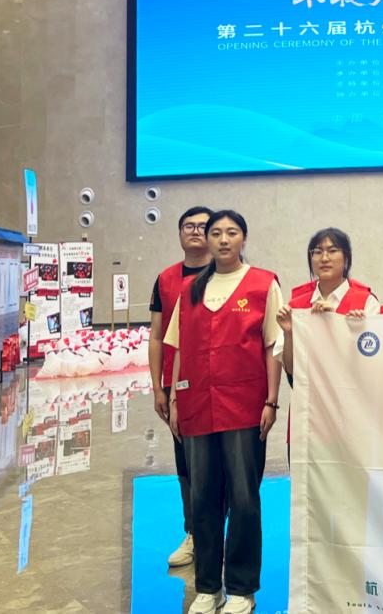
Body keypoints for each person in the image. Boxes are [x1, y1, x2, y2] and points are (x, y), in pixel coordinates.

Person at [164, 210, 283, 614]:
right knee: (203, 498)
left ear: (243, 238)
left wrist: (271, 400)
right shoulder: (190, 289)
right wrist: (175, 399)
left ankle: (242, 589)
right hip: (197, 405)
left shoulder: (263, 284)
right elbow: (179, 349)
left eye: (231, 232)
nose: (223, 239)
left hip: (244, 407)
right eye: (216, 232)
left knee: (244, 499)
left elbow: (273, 346)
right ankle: (208, 587)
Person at [147, 205, 212, 568]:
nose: (196, 231)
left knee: (223, 465)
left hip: (224, 386)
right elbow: (157, 336)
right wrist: (159, 388)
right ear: (179, 233)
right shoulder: (166, 279)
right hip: (179, 388)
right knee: (187, 464)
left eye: (204, 226)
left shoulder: (230, 275)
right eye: (189, 226)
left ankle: (219, 535)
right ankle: (194, 533)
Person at [274, 227, 379, 377]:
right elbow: (291, 370)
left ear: (346, 258)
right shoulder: (295, 306)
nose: (324, 258)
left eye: (332, 250)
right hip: (308, 392)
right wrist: (289, 333)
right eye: (317, 252)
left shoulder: (367, 302)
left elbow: (373, 362)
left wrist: (336, 323)